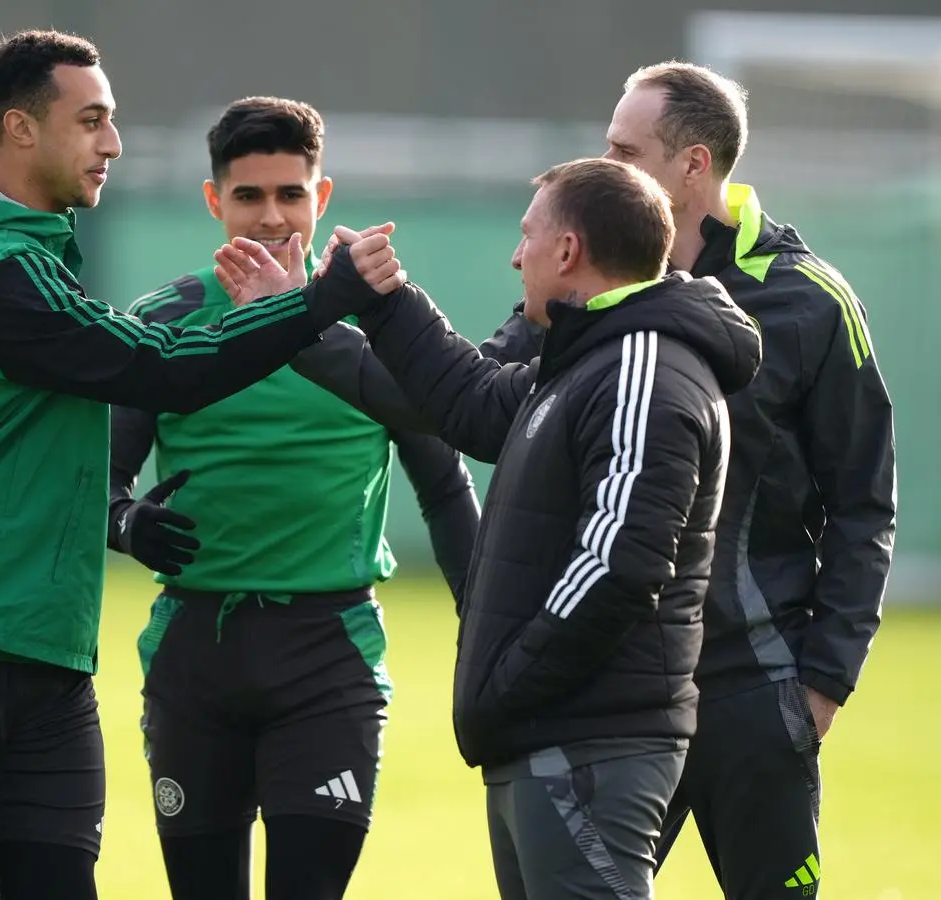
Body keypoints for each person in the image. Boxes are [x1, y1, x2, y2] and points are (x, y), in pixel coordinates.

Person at [305, 60, 899, 900]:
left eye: (624, 146)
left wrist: (820, 683)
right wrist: (305, 323)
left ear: (693, 164)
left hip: (747, 689)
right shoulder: (580, 307)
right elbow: (470, 401)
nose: (606, 161)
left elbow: (862, 502)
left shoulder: (808, 300)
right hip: (607, 695)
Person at [0, 32, 403, 900]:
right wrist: (320, 300)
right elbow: (160, 367)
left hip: (49, 658)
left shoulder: (40, 264)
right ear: (20, 130)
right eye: (92, 120)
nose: (113, 143)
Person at [216, 157, 763, 900]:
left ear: (566, 252)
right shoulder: (589, 354)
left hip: (582, 734)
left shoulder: (641, 363)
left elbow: (619, 563)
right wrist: (377, 299)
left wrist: (509, 683)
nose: (515, 254)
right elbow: (470, 400)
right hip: (545, 733)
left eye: (527, 235)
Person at [107, 96, 481, 900]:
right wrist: (127, 523)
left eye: (290, 195)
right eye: (248, 196)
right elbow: (101, 484)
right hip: (192, 656)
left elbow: (445, 489)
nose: (271, 217)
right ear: (214, 201)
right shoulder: (162, 324)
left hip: (327, 654)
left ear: (322, 197)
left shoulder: (380, 331)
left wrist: (488, 625)